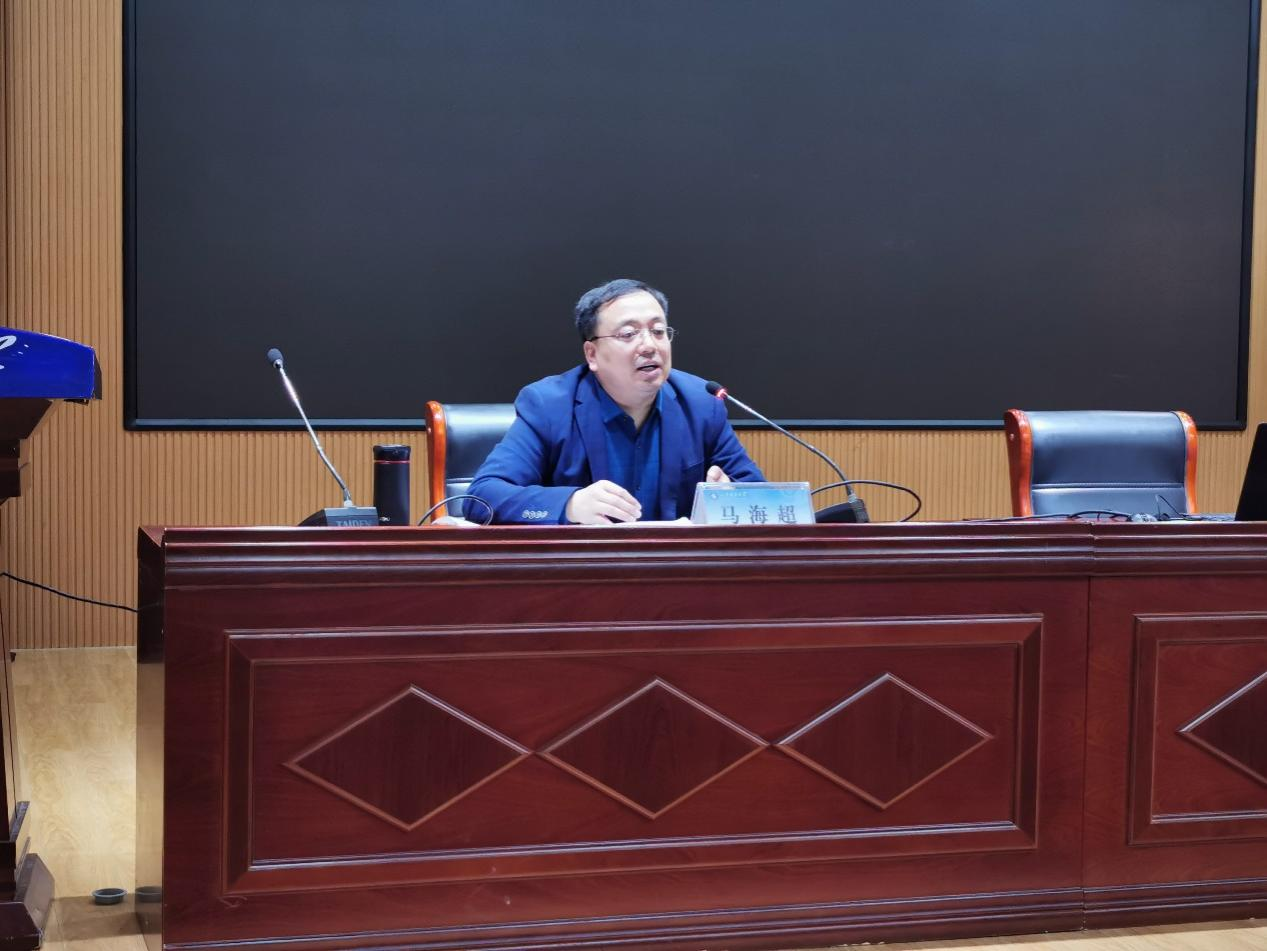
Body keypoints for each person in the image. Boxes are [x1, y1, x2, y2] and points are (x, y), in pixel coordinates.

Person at [467, 278, 764, 524]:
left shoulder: (701, 403)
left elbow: (761, 497)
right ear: (592, 354)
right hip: (583, 570)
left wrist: (732, 497)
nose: (649, 345)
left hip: (676, 569)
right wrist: (570, 504)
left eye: (658, 331)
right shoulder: (549, 406)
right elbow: (481, 498)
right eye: (628, 334)